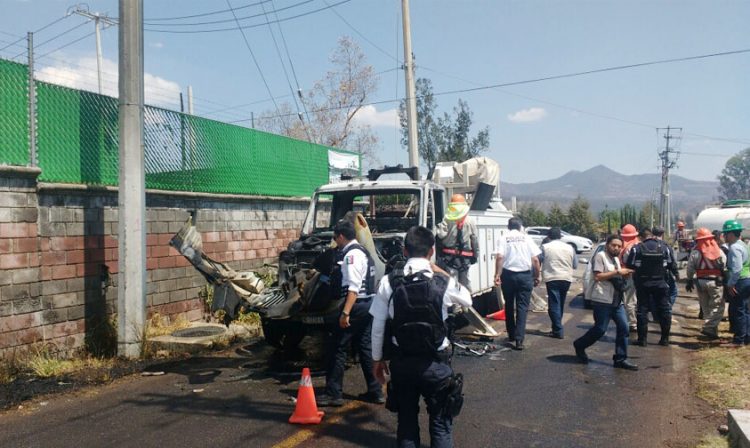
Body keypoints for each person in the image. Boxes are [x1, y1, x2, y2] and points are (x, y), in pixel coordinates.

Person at [371, 226, 472, 448]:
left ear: (405, 251)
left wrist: (377, 360)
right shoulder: (442, 282)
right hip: (436, 363)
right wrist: (441, 271)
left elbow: (378, 326)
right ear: (432, 251)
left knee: (406, 424)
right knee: (441, 423)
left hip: (402, 363)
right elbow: (467, 299)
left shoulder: (388, 282)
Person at [318, 219, 383, 407]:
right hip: (368, 305)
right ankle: (375, 391)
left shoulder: (351, 256)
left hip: (356, 305)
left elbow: (354, 288)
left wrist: (345, 313)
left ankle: (333, 394)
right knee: (364, 348)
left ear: (340, 237)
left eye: (335, 238)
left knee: (336, 347)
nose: (335, 243)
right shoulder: (364, 252)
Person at [573, 235, 638, 370]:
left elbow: (616, 276)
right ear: (608, 245)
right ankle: (580, 345)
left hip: (616, 300)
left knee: (624, 328)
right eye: (613, 245)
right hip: (602, 300)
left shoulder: (615, 259)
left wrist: (624, 275)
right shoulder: (600, 256)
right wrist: (617, 272)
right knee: (600, 329)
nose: (616, 248)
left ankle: (620, 359)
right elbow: (598, 276)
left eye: (619, 246)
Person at [494, 217, 542, 350]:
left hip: (508, 275)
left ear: (508, 227)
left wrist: (497, 274)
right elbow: (535, 260)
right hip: (525, 275)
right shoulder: (526, 238)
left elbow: (500, 257)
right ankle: (519, 339)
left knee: (509, 304)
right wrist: (537, 275)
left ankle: (511, 334)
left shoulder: (503, 238)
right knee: (522, 307)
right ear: (520, 226)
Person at [625, 228, 677, 346]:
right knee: (664, 309)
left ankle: (642, 340)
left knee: (642, 310)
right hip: (661, 283)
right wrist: (675, 275)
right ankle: (664, 339)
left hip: (643, 283)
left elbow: (629, 265)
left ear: (641, 237)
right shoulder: (664, 247)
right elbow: (671, 264)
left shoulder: (636, 248)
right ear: (652, 236)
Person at [685, 228, 727, 340]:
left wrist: (689, 280)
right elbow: (725, 264)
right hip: (716, 282)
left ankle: (713, 332)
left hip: (700, 282)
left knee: (706, 308)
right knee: (718, 307)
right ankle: (709, 327)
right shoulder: (718, 250)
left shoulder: (695, 251)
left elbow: (690, 267)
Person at [540, 227, 578, 339]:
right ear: (560, 237)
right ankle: (556, 327)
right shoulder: (570, 247)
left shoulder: (545, 247)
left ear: (548, 236)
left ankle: (558, 330)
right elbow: (575, 265)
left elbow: (538, 260)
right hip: (566, 278)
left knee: (554, 305)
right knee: (560, 303)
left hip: (552, 277)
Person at [436, 193, 478, 291]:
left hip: (449, 258)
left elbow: (440, 235)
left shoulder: (447, 219)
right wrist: (475, 255)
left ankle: (453, 306)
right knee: (465, 285)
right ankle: (466, 304)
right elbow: (474, 240)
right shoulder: (470, 220)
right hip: (465, 258)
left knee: (451, 285)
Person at [722, 220, 750, 346]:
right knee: (745, 310)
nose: (724, 236)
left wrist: (730, 284)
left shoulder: (734, 248)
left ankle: (739, 339)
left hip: (740, 281)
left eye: (726, 234)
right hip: (747, 280)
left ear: (732, 234)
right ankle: (747, 337)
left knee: (738, 310)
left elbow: (737, 268)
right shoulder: (744, 245)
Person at [619, 224, 640, 332]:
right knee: (637, 299)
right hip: (641, 276)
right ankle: (638, 321)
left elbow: (626, 262)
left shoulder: (628, 248)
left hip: (629, 275)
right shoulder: (639, 245)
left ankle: (632, 323)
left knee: (629, 300)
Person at [652, 226, 679, 307]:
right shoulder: (666, 246)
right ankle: (667, 308)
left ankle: (655, 313)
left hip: (650, 275)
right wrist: (676, 274)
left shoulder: (646, 245)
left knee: (654, 295)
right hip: (664, 274)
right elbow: (671, 263)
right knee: (673, 291)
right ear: (663, 234)